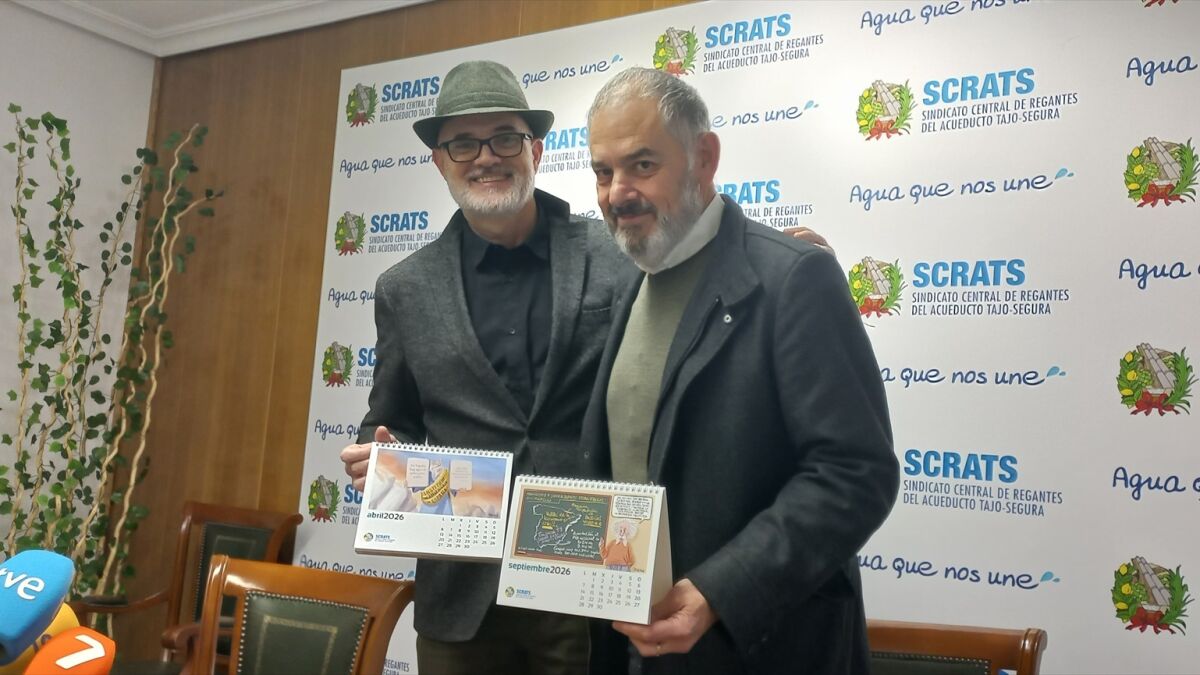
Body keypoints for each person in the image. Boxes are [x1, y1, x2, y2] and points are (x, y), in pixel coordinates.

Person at [580, 67, 899, 674]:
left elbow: (856, 474)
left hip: (760, 650)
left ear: (704, 158)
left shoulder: (794, 278)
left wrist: (718, 593)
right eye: (603, 171)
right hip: (637, 648)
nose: (617, 192)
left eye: (642, 165)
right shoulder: (626, 284)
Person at [338, 60, 629, 675]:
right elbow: (390, 419)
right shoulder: (403, 288)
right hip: (461, 596)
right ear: (439, 162)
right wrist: (380, 454)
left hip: (585, 580)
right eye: (463, 144)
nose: (486, 157)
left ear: (536, 150)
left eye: (504, 138)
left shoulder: (615, 254)